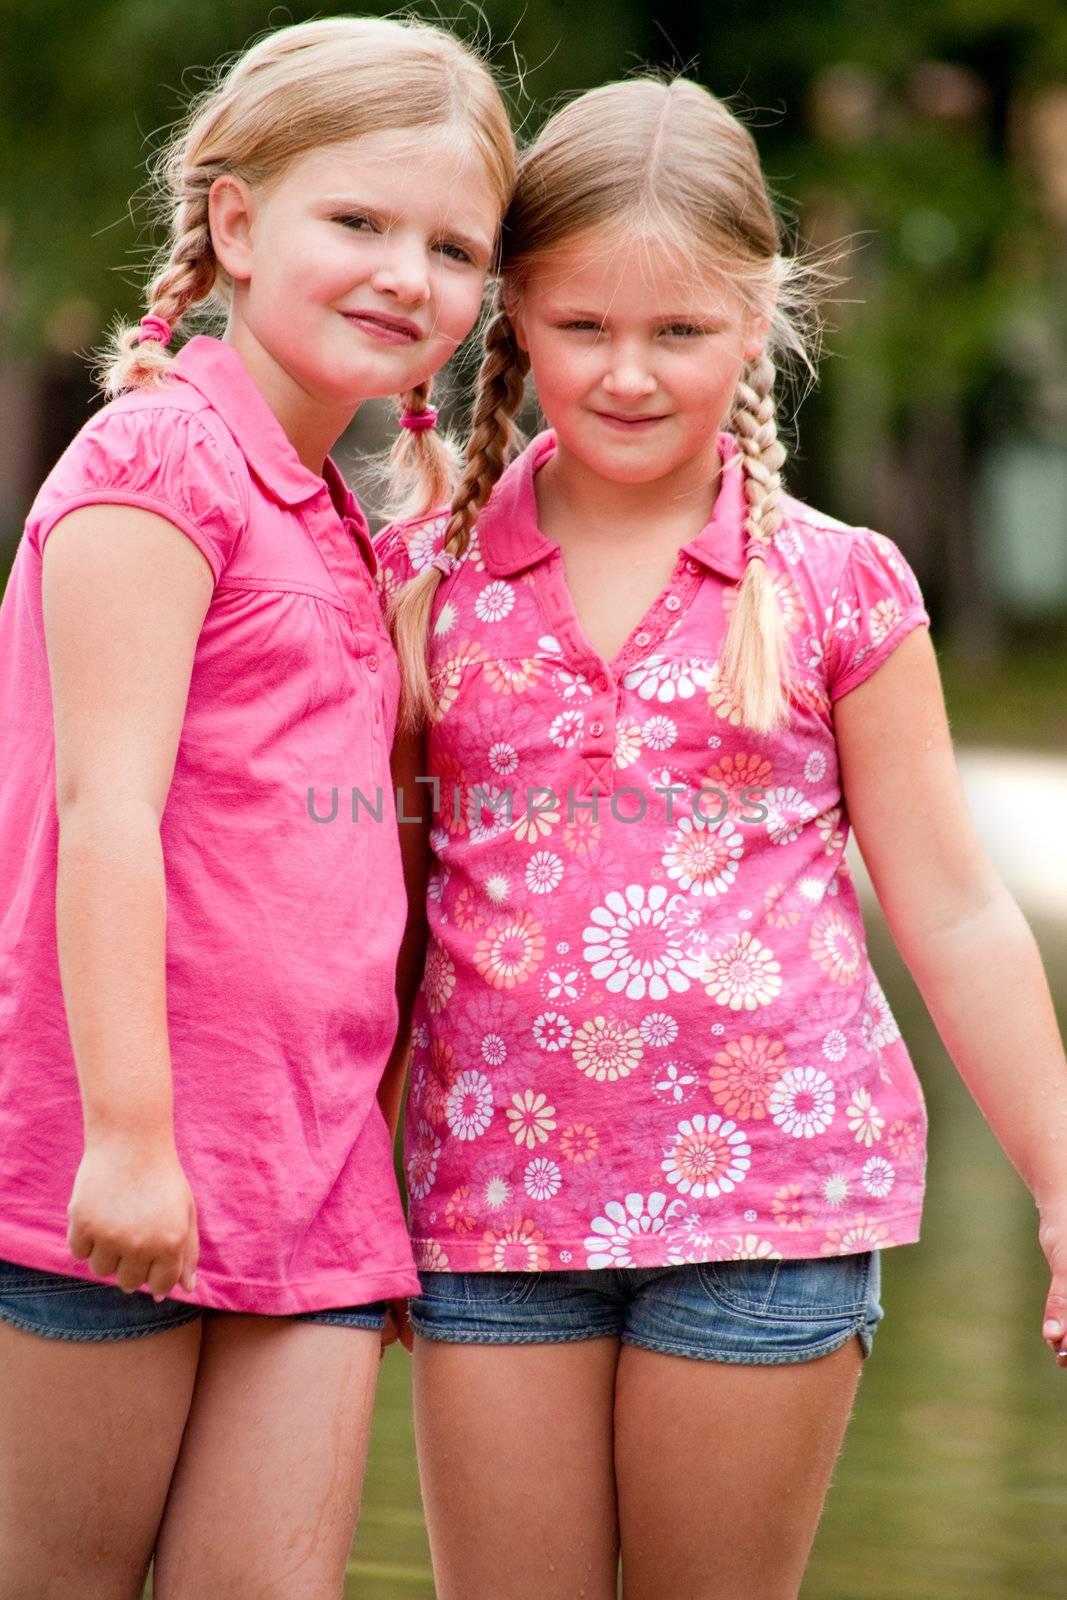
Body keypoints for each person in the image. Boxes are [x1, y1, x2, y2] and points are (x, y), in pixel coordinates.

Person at [375, 75, 1067, 1600]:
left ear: (758, 320)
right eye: (582, 327)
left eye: (679, 331)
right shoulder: (424, 582)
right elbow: (390, 909)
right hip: (496, 1210)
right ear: (514, 320)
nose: (628, 373)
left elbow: (952, 907)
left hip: (772, 1203)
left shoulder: (838, 587)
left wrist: (1061, 1176)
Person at [0, 17, 514, 1598]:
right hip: (112, 1168)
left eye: (452, 246)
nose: (404, 275)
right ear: (233, 223)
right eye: (355, 221)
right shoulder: (160, 465)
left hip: (316, 1181)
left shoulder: (341, 525)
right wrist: (138, 1146)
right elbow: (103, 815)